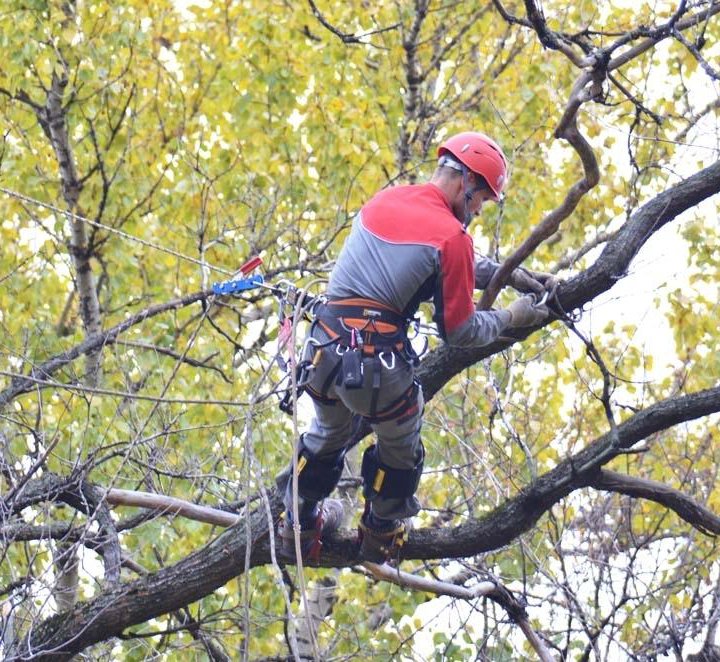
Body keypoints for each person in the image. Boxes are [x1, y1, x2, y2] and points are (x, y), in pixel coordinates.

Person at [277, 131, 555, 563]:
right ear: (467, 184)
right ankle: (381, 529)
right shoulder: (451, 237)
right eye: (481, 199)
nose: (479, 211)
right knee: (401, 438)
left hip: (324, 348)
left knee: (328, 432)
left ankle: (298, 516)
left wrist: (510, 274)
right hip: (376, 364)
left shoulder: (384, 202)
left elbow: (430, 260)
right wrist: (513, 317)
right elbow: (460, 331)